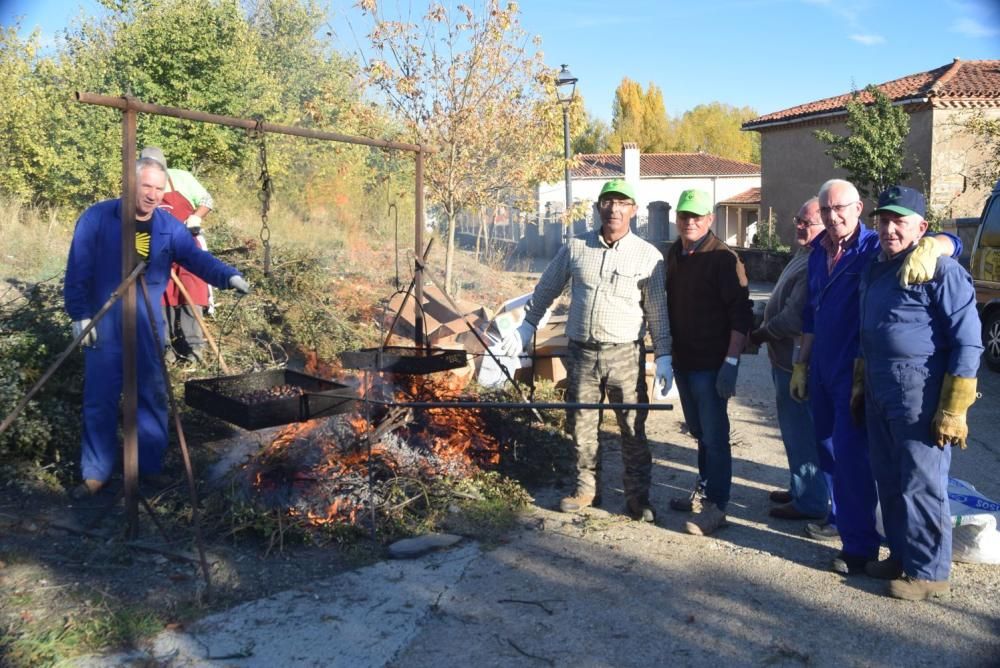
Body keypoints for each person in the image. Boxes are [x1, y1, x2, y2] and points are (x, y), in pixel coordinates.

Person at [790, 178, 960, 574]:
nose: (833, 218)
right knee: (829, 454)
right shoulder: (817, 252)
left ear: (858, 208)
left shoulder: (874, 247)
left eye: (840, 209)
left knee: (854, 459)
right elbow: (811, 313)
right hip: (821, 369)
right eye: (826, 210)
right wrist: (802, 362)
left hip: (856, 372)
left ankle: (861, 547)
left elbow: (943, 240)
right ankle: (842, 524)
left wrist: (939, 244)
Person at [64, 157, 250, 499]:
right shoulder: (98, 218)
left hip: (149, 324)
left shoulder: (168, 226)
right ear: (131, 184)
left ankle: (148, 468)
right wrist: (79, 315)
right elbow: (78, 268)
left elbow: (197, 259)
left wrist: (228, 276)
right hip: (105, 323)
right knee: (100, 399)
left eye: (158, 188)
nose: (151, 194)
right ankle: (95, 473)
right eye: (146, 186)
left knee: (151, 396)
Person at [501, 179, 672, 522]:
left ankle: (638, 497)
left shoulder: (649, 257)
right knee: (581, 424)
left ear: (634, 210)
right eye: (607, 202)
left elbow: (657, 310)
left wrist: (665, 354)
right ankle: (585, 490)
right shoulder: (575, 248)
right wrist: (527, 325)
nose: (614, 209)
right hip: (581, 353)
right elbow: (547, 287)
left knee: (632, 426)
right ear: (598, 208)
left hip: (625, 354)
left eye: (622, 203)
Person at [856, 185, 981, 600]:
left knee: (921, 482)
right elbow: (868, 330)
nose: (890, 228)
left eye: (900, 221)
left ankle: (930, 574)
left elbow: (968, 341)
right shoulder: (876, 267)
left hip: (919, 391)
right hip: (879, 387)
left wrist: (955, 405)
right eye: (884, 220)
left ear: (921, 228)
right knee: (888, 478)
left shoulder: (941, 271)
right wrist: (861, 381)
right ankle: (902, 555)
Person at [665, 188, 753, 536]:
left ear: (710, 220)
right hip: (684, 361)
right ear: (677, 218)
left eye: (697, 216)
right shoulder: (675, 253)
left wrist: (730, 363)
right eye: (685, 216)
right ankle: (704, 489)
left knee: (715, 436)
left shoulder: (724, 259)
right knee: (700, 431)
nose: (690, 222)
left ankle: (717, 506)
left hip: (712, 364)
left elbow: (741, 316)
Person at [749, 197, 829, 521]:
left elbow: (794, 319)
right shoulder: (804, 252)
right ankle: (801, 488)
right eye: (798, 219)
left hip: (799, 362)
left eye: (806, 222)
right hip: (784, 360)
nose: (799, 225)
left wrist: (760, 334)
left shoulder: (818, 260)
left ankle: (810, 501)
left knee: (802, 434)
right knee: (792, 431)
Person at [140, 146, 216, 363]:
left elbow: (207, 201)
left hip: (187, 247)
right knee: (161, 297)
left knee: (192, 294)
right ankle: (166, 352)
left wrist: (195, 217)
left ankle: (194, 351)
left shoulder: (181, 178)